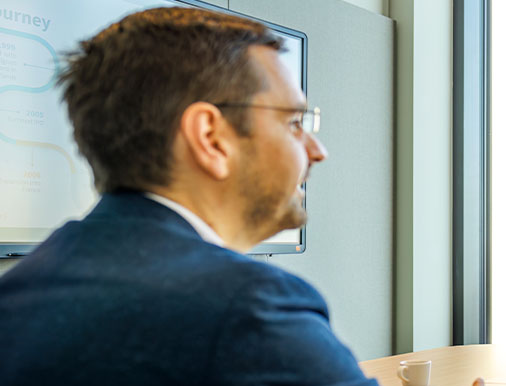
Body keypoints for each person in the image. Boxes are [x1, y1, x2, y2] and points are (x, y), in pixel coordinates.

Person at [0, 7, 376, 385]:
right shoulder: (251, 310)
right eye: (293, 123)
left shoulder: (17, 294)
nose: (317, 150)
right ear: (210, 138)